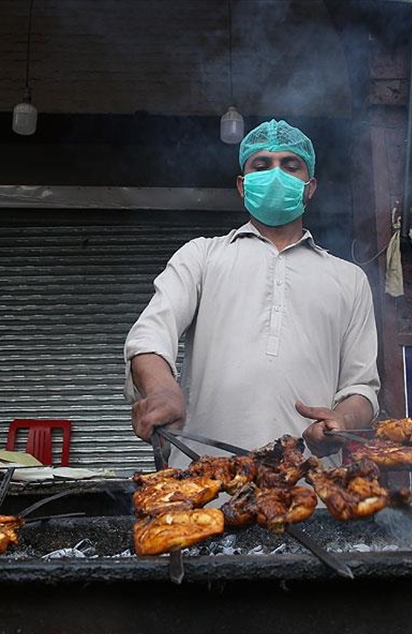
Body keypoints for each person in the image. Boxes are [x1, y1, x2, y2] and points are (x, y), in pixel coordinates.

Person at [125, 119, 379, 464]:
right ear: (243, 186)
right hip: (204, 483)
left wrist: (343, 421)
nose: (275, 174)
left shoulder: (349, 279)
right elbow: (150, 336)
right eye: (261, 165)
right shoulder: (201, 256)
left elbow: (362, 387)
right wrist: (162, 390)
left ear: (310, 187)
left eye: (290, 165)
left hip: (310, 483)